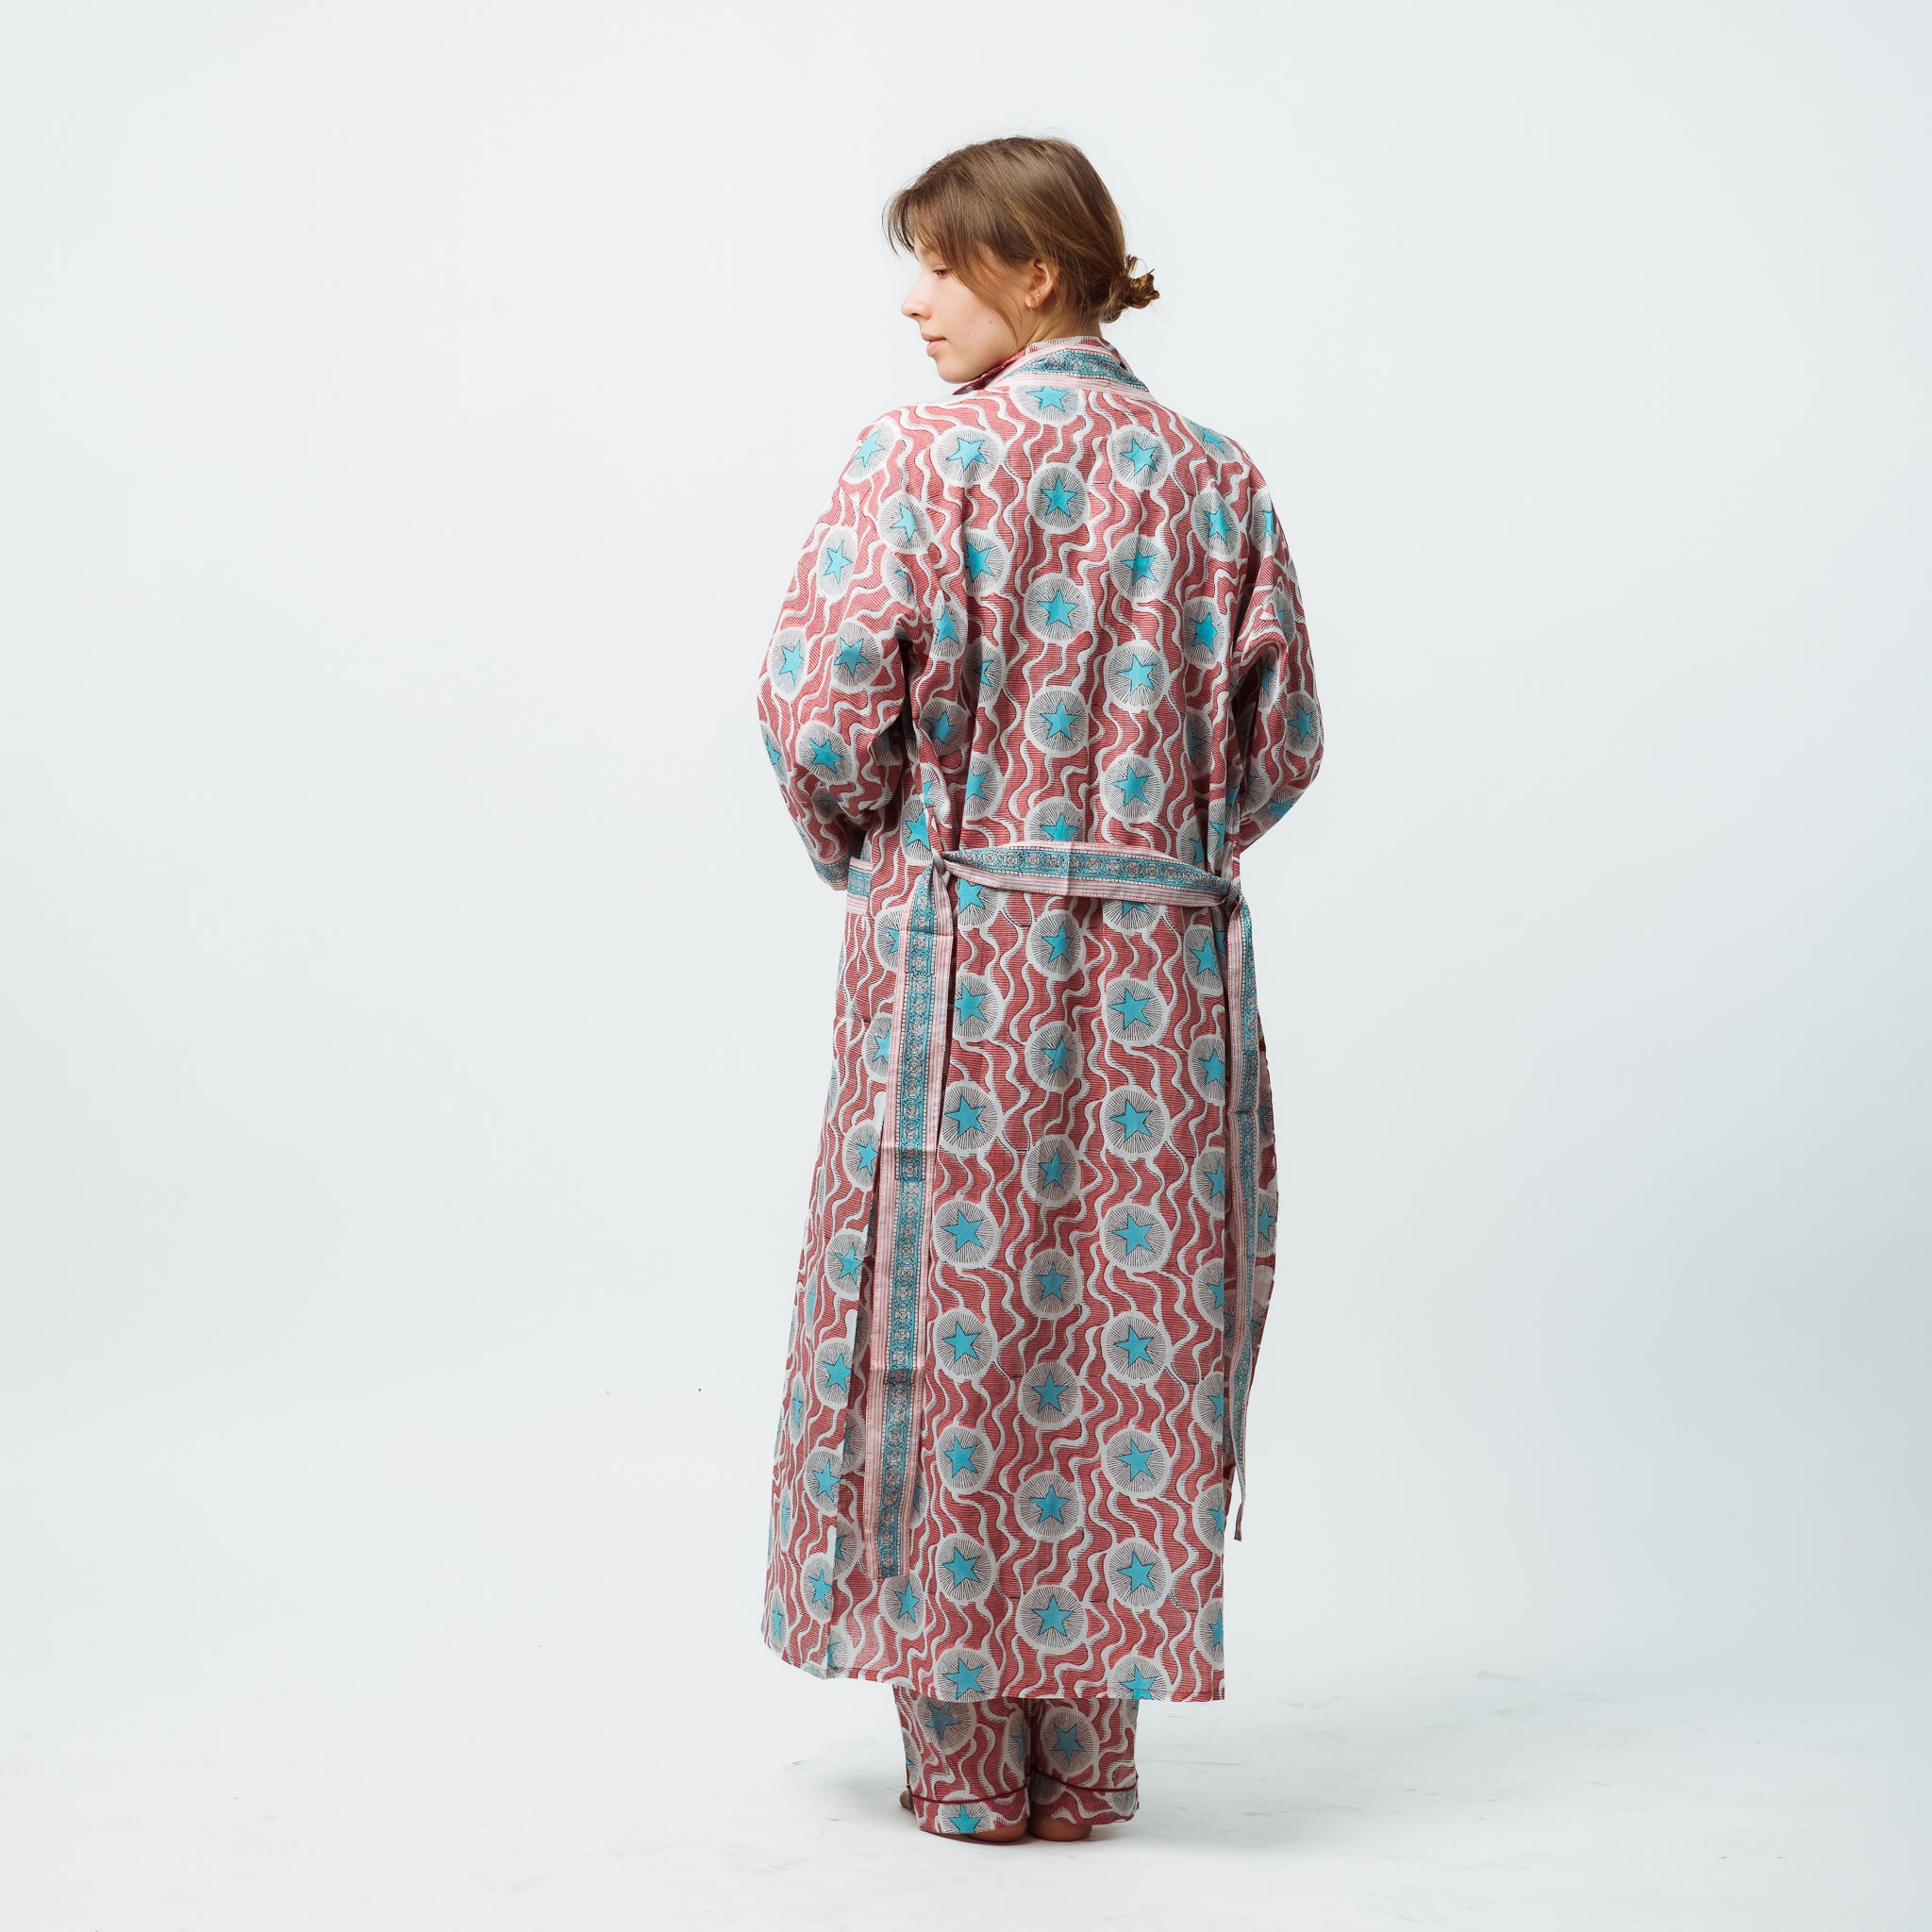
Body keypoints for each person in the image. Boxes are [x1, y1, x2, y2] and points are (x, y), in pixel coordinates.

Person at [753, 135, 1323, 1844]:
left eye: (943, 262)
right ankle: (1091, 1765)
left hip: (957, 972)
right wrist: (1154, 852)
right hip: (1169, 981)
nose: (914, 298)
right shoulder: (1218, 477)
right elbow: (1282, 744)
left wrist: (897, 857)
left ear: (1037, 270)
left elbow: (819, 714)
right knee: (1126, 1334)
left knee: (948, 1320)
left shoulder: (922, 459)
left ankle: (962, 1769)